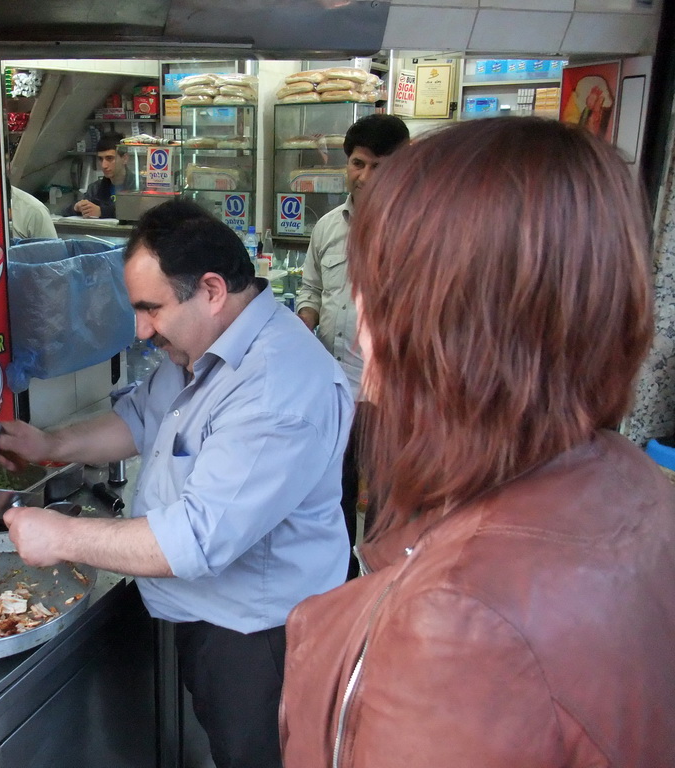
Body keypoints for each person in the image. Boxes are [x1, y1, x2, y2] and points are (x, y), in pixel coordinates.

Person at [280, 117, 675, 768]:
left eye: (380, 302)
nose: (362, 340)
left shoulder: (457, 626)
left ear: (456, 328)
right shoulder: (632, 481)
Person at [0, 198, 353, 768]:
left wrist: (59, 536)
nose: (140, 330)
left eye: (150, 309)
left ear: (211, 289)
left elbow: (196, 538)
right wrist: (50, 445)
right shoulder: (202, 347)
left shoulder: (276, 389)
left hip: (259, 640)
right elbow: (142, 417)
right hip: (208, 615)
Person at [294, 113, 409, 577]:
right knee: (330, 492)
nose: (365, 177)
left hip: (389, 396)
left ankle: (378, 590)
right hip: (332, 387)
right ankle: (338, 582)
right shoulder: (327, 227)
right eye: (359, 164)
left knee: (385, 499)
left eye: (380, 167)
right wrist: (304, 322)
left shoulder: (417, 232)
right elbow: (312, 289)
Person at [65, 132, 128, 219]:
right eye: (100, 159)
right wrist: (77, 207)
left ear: (125, 159)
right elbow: (65, 212)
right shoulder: (95, 188)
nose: (104, 165)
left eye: (109, 158)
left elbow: (139, 212)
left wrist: (102, 211)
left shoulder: (140, 186)